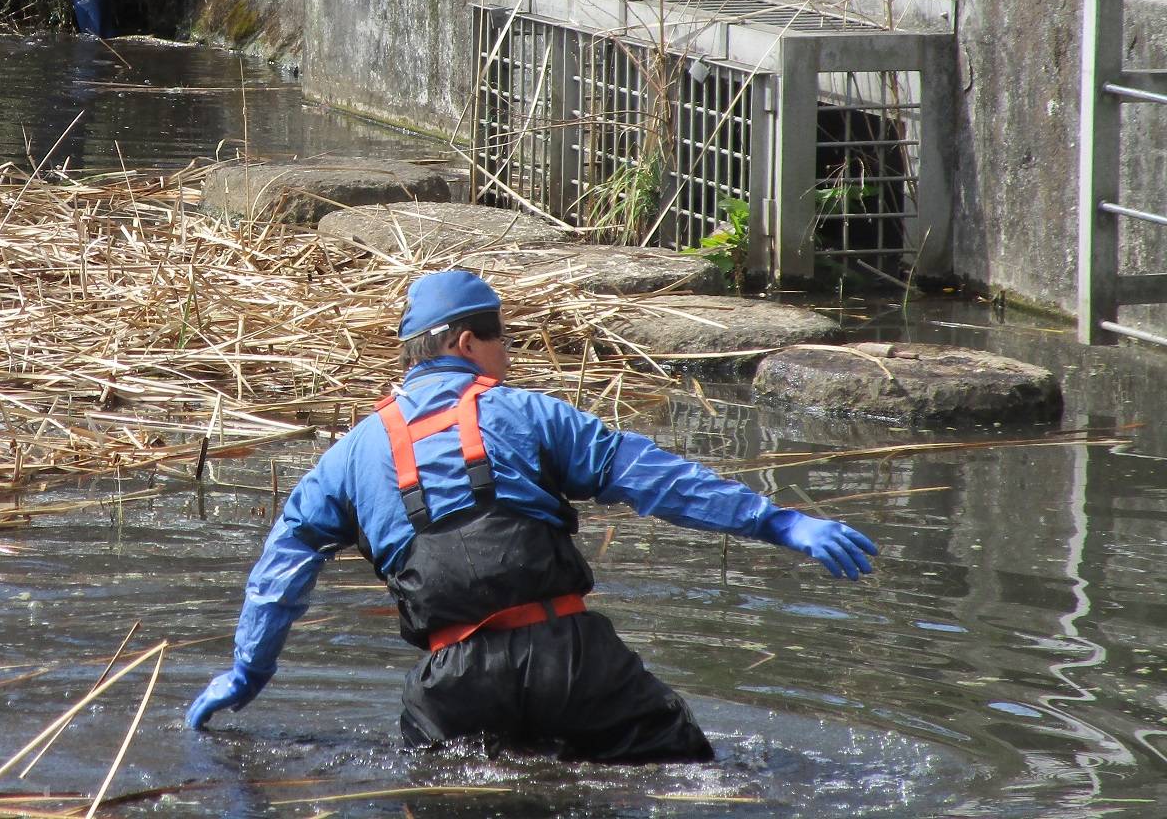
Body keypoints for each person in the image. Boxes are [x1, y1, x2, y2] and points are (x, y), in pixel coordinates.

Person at [186, 269, 878, 762]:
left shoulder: (344, 460)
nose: (507, 357)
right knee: (688, 776)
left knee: (451, 790)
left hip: (451, 685)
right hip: (573, 664)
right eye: (499, 340)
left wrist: (246, 674)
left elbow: (279, 575)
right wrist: (781, 523)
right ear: (464, 344)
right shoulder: (531, 414)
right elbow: (658, 480)